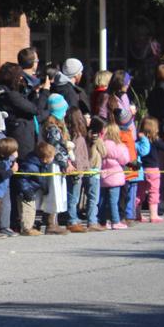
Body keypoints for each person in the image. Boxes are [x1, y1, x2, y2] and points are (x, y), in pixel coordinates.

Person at [0, 62, 50, 231]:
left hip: (20, 138)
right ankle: (16, 221)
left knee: (16, 181)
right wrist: (44, 92)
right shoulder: (11, 95)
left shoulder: (8, 93)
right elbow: (33, 109)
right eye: (20, 76)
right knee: (20, 182)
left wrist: (32, 91)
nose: (23, 78)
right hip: (21, 141)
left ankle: (14, 220)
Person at [40, 98, 72, 235]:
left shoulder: (48, 127)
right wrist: (64, 163)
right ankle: (51, 223)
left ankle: (54, 221)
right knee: (55, 193)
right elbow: (56, 149)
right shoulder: (53, 129)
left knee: (56, 192)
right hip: (54, 165)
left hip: (55, 163)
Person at [64, 107, 96, 232]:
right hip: (76, 171)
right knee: (73, 197)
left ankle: (74, 218)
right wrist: (80, 168)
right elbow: (78, 156)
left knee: (75, 196)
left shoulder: (78, 136)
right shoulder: (78, 138)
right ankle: (72, 220)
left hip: (81, 170)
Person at [18, 142, 57, 235]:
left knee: (31, 209)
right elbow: (22, 178)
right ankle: (27, 228)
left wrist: (45, 188)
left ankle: (28, 226)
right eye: (52, 157)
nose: (53, 159)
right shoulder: (31, 165)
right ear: (45, 158)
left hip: (31, 189)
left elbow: (41, 179)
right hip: (26, 191)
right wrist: (26, 190)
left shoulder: (40, 164)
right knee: (28, 209)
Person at [99, 121, 131, 229]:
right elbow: (125, 160)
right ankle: (115, 221)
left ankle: (102, 221)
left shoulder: (101, 144)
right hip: (115, 176)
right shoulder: (119, 146)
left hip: (103, 175)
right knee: (114, 200)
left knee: (102, 200)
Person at [137, 117, 164, 223]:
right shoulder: (155, 140)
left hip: (141, 169)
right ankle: (153, 215)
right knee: (154, 191)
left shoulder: (139, 140)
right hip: (153, 169)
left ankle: (137, 214)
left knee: (139, 192)